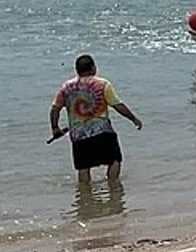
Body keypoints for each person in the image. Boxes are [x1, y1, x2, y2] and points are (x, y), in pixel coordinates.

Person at [51, 54, 142, 184]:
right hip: (102, 132)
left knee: (83, 167)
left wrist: (55, 128)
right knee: (114, 160)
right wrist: (133, 118)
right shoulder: (103, 84)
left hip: (79, 135)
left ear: (77, 70)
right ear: (93, 68)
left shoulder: (66, 87)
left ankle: (85, 194)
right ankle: (113, 188)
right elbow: (117, 105)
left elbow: (55, 109)